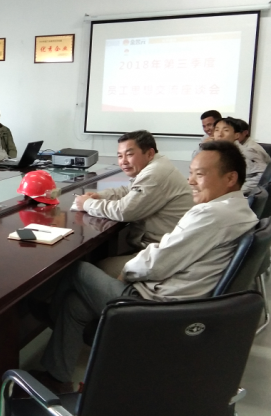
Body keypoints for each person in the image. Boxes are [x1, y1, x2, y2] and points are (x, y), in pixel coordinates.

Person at [35, 140, 257, 394]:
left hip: (159, 308)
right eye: (191, 173)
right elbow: (168, 251)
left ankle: (50, 316)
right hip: (182, 302)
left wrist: (127, 272)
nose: (191, 181)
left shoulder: (212, 215)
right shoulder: (239, 210)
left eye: (200, 174)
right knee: (75, 304)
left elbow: (157, 265)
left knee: (76, 269)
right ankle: (57, 377)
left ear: (230, 178)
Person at [73, 131, 194, 276]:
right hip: (159, 248)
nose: (123, 161)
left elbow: (124, 211)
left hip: (163, 256)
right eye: (120, 156)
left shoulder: (155, 173)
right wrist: (100, 196)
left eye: (129, 154)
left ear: (149, 153)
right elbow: (129, 191)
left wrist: (88, 204)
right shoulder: (157, 165)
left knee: (90, 270)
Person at [212, 117, 270, 194]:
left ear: (237, 135)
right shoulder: (219, 152)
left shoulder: (245, 153)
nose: (219, 134)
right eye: (216, 130)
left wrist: (232, 193)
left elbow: (260, 179)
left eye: (226, 130)